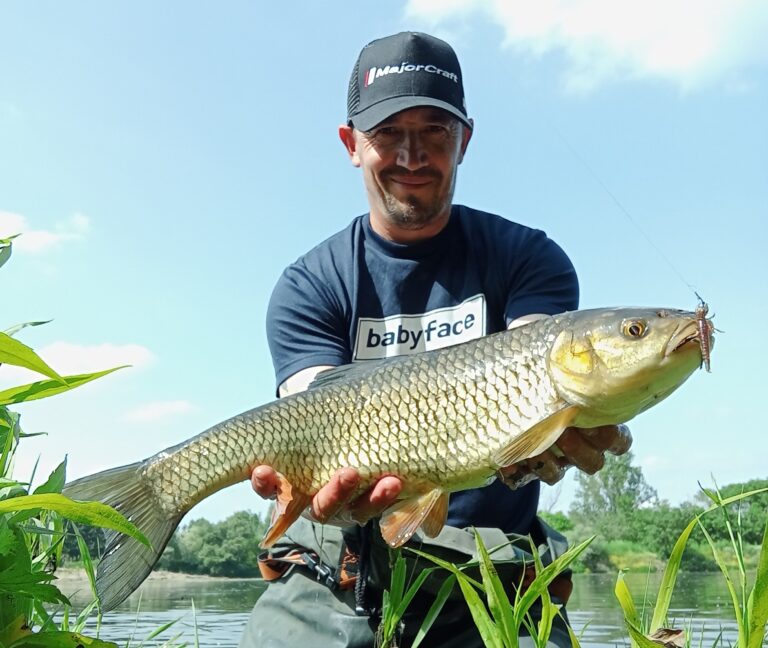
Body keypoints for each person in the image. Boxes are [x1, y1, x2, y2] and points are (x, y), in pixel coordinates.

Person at [239, 31, 632, 648]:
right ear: (351, 145)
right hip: (338, 569)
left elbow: (541, 358)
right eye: (388, 132)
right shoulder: (308, 284)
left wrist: (559, 429)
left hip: (495, 571)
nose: (412, 154)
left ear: (465, 141)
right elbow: (311, 409)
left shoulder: (529, 258)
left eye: (434, 132)